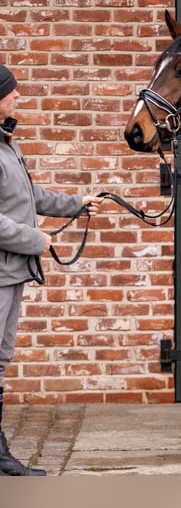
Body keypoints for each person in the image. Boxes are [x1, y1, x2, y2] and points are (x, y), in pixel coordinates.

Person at [0, 63, 104, 476]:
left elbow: (31, 196)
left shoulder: (8, 145)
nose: (19, 98)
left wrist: (78, 202)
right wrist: (38, 241)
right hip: (4, 270)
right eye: (12, 92)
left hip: (12, 272)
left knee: (1, 358)